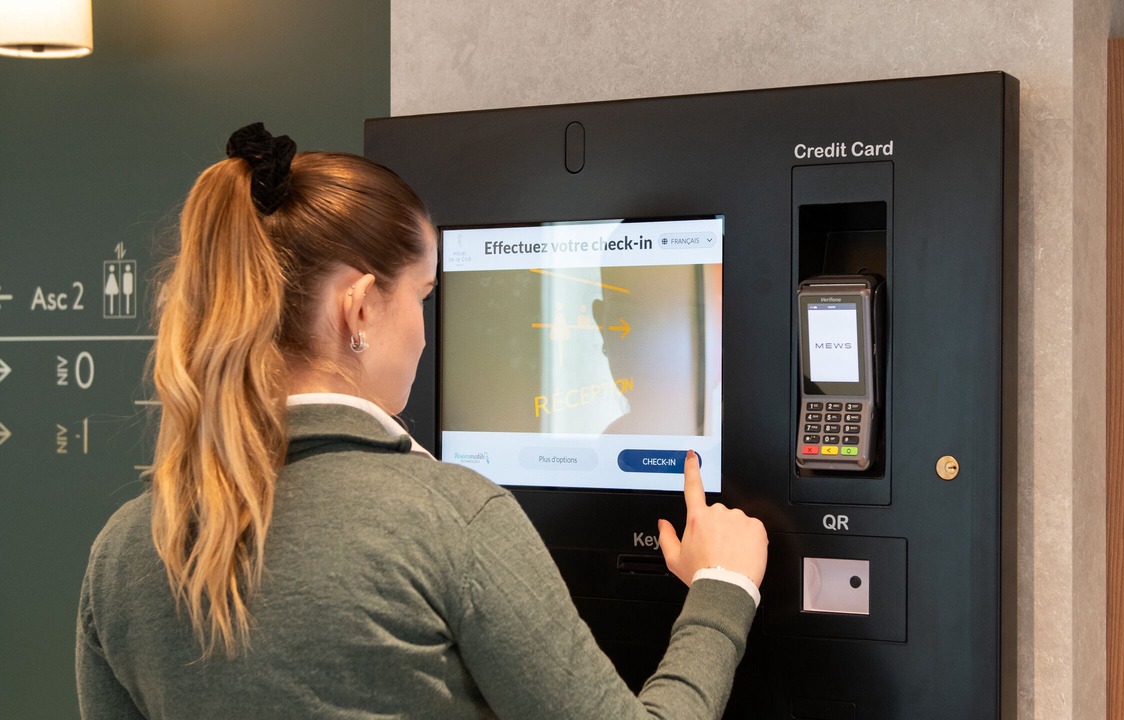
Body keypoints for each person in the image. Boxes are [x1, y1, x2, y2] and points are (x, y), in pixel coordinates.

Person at [76, 123, 769, 719]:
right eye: (423, 296)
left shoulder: (126, 550)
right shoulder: (450, 518)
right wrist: (722, 589)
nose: (424, 332)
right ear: (361, 309)